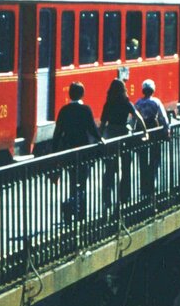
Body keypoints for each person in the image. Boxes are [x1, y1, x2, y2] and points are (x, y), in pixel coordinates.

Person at [51, 82, 103, 220]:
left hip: (68, 151)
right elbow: (92, 128)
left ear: (70, 94)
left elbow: (57, 133)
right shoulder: (86, 109)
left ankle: (71, 206)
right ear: (82, 94)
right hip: (83, 151)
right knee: (82, 182)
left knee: (73, 181)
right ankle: (80, 213)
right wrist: (100, 139)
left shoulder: (64, 110)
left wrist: (54, 151)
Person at [100, 79, 149, 209]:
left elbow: (103, 123)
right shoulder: (126, 103)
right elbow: (138, 117)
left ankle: (107, 199)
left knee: (109, 169)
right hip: (123, 135)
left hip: (110, 135)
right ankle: (124, 197)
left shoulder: (108, 104)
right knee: (126, 166)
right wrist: (145, 132)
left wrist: (99, 138)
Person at [134, 78, 171, 196]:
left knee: (143, 159)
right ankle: (152, 182)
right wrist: (167, 130)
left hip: (142, 133)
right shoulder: (156, 102)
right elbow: (163, 118)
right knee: (155, 157)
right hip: (155, 132)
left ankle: (144, 185)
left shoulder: (138, 103)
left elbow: (133, 120)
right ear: (153, 90)